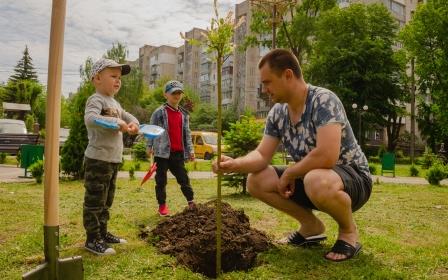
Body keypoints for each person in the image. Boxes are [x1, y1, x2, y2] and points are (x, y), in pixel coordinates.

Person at [212, 49, 372, 262]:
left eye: (268, 82)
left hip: (352, 179)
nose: (264, 89)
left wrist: (290, 173)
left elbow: (327, 155)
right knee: (257, 180)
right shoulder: (278, 113)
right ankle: (311, 227)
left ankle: (348, 233)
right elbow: (262, 154)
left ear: (288, 75)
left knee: (316, 179)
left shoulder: (323, 100)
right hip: (309, 180)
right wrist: (234, 164)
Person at [83, 58, 140, 255]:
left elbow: (128, 117)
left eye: (119, 78)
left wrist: (134, 124)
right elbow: (90, 118)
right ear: (97, 78)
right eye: (113, 76)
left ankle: (103, 233)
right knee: (95, 201)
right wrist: (116, 122)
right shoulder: (96, 99)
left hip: (112, 160)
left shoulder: (115, 103)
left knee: (107, 200)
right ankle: (92, 239)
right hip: (98, 159)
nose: (118, 80)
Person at [146, 80, 195, 216]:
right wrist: (149, 146)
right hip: (162, 153)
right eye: (174, 93)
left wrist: (190, 150)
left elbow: (187, 134)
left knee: (184, 179)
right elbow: (151, 130)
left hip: (178, 153)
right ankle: (162, 206)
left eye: (179, 93)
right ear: (165, 95)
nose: (177, 95)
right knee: (161, 181)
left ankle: (191, 202)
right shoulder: (159, 113)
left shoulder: (184, 115)